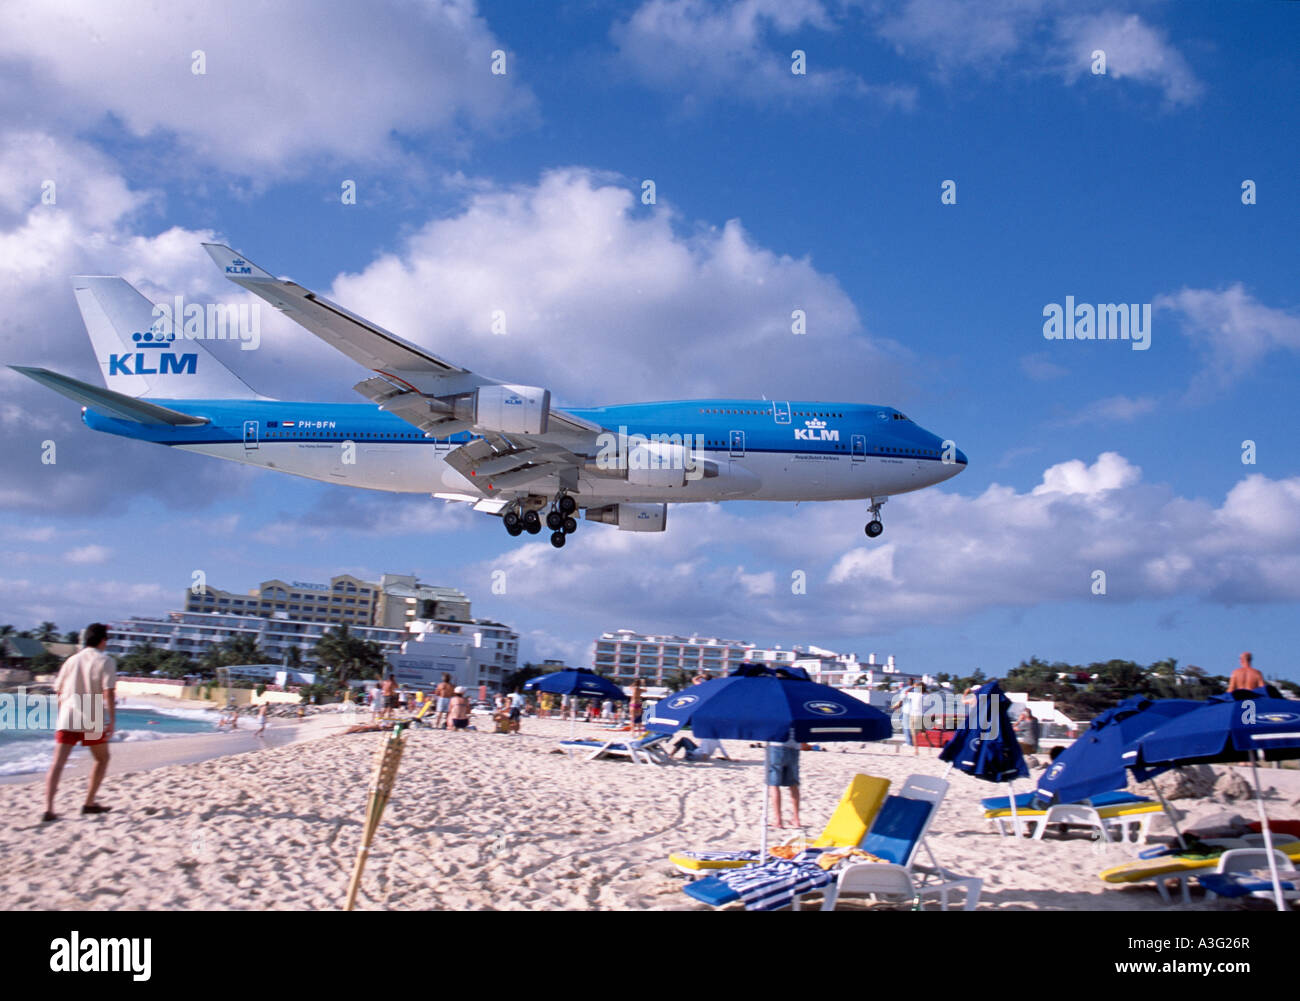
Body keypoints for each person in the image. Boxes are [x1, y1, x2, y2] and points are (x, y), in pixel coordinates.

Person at [43, 623, 117, 823]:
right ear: (103, 640)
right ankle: (89, 803)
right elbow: (108, 692)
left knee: (57, 764)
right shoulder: (106, 660)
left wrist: (61, 714)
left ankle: (49, 809)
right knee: (102, 759)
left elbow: (59, 691)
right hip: (91, 713)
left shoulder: (71, 660)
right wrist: (111, 721)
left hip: (68, 713)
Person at [766, 738, 802, 828]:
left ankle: (778, 820)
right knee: (793, 784)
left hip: (776, 745)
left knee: (773, 784)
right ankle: (796, 819)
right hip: (794, 746)